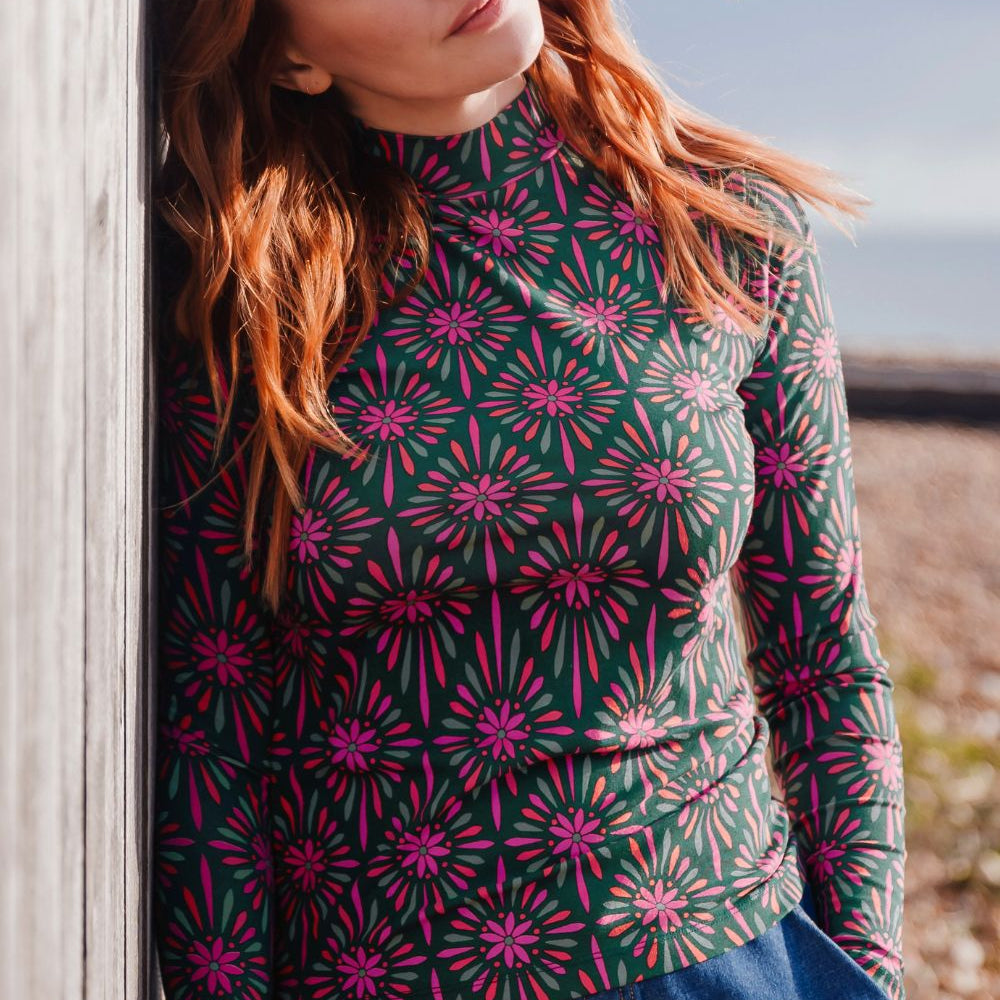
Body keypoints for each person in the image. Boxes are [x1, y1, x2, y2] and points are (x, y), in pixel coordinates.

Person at [149, 2, 907, 999]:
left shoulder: (726, 225)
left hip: (719, 961)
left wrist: (866, 971)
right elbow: (214, 718)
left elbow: (825, 664)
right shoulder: (241, 284)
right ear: (287, 55)